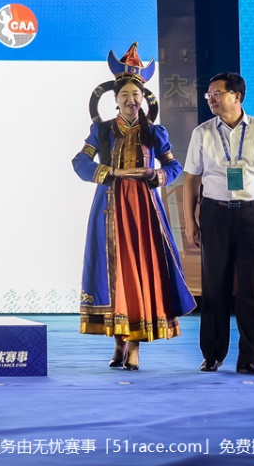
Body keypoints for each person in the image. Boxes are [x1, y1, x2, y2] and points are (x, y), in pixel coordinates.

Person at [70, 44, 195, 371]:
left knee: (139, 272)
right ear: (116, 99)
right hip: (110, 210)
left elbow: (174, 167)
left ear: (143, 98)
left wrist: (156, 175)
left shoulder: (154, 132)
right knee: (115, 274)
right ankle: (118, 343)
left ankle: (135, 347)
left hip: (143, 211)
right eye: (124, 94)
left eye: (135, 95)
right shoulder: (101, 131)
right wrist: (108, 173)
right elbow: (79, 162)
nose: (130, 100)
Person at [182, 72, 254, 376]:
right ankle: (212, 355)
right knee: (214, 286)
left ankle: (251, 359)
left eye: (217, 94)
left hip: (252, 215)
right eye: (209, 95)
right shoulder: (202, 133)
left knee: (252, 288)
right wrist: (190, 220)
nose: (211, 99)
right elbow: (192, 179)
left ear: (237, 96)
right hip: (214, 214)